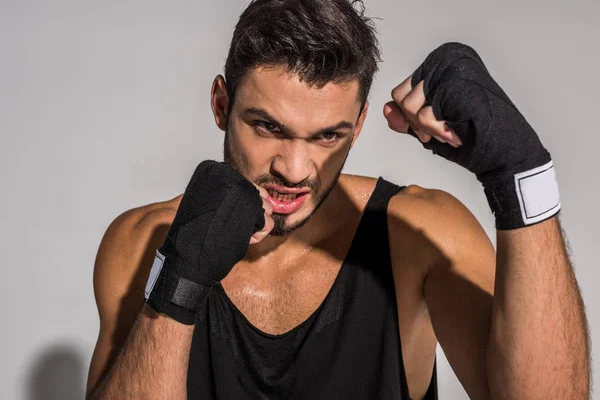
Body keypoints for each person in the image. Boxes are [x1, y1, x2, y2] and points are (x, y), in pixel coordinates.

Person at [85, 1, 590, 399]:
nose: (294, 170)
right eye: (268, 127)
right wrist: (182, 278)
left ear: (360, 126)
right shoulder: (142, 242)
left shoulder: (419, 236)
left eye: (328, 136)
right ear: (221, 104)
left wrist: (520, 176)